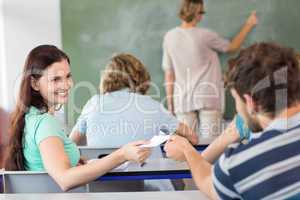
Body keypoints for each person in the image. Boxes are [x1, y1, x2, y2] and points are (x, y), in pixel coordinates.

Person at [3, 45, 151, 191]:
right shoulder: (45, 123)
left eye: (68, 76)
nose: (66, 85)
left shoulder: (31, 116)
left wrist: (73, 160)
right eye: (56, 79)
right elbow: (65, 179)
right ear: (35, 84)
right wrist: (122, 154)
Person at [164, 42, 300, 199]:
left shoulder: (240, 162)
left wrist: (187, 150)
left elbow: (208, 183)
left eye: (236, 99)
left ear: (250, 102)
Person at [163, 0, 258, 134]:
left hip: (182, 100)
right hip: (208, 96)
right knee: (210, 143)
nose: (202, 16)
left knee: (186, 144)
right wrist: (249, 24)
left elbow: (169, 74)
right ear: (196, 13)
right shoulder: (204, 35)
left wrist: (171, 104)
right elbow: (232, 47)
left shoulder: (169, 37)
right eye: (201, 12)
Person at [69, 53, 198, 147]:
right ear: (140, 76)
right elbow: (193, 138)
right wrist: (163, 136)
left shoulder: (94, 103)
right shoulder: (152, 106)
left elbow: (71, 145)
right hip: (147, 181)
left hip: (100, 182)